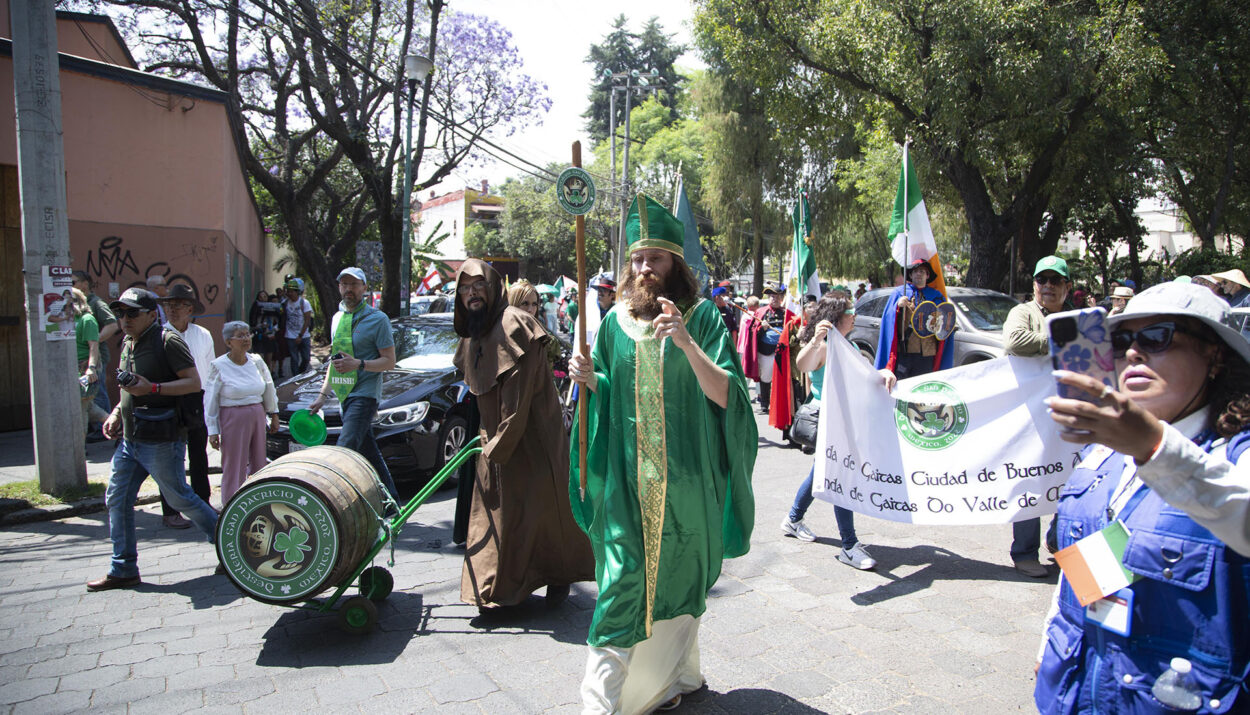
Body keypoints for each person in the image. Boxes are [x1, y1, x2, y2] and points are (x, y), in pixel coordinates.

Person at [569, 194, 757, 714]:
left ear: (675, 263)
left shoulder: (703, 318)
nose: (643, 268)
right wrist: (590, 380)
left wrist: (688, 345)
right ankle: (600, 705)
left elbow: (729, 397)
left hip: (687, 481)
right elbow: (605, 387)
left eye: (654, 258)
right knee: (621, 584)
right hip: (628, 484)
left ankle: (676, 677)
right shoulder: (612, 322)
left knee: (681, 578)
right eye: (636, 259)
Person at [1036, 281, 1250, 713]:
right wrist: (1048, 648)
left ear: (1215, 357)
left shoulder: (1235, 453)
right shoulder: (1101, 452)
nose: (1133, 352)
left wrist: (1154, 448)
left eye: (1158, 337)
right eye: (1120, 340)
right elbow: (1080, 571)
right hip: (1077, 692)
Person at [453, 260, 594, 613]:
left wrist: (498, 443)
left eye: (478, 285)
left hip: (531, 441)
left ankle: (548, 579)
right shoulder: (474, 331)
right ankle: (496, 591)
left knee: (538, 513)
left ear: (493, 287)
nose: (471, 292)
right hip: (496, 439)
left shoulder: (517, 325)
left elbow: (519, 398)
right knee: (501, 514)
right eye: (464, 286)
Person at [88, 288, 218, 591]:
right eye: (120, 313)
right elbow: (129, 383)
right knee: (117, 499)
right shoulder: (128, 342)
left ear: (150, 315)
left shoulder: (168, 341)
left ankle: (230, 544)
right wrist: (117, 413)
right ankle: (123, 568)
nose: (125, 319)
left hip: (162, 438)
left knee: (179, 498)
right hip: (130, 440)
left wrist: (154, 389)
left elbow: (193, 382)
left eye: (132, 313)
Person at [781, 293, 893, 569]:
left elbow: (867, 377)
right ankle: (849, 545)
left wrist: (885, 374)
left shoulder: (849, 345)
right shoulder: (824, 344)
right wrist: (816, 339)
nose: (855, 315)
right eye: (850, 311)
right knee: (840, 476)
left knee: (822, 472)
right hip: (826, 420)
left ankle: (793, 519)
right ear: (835, 316)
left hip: (844, 421)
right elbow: (802, 365)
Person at [1002, 255, 1071, 577]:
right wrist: (1064, 341)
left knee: (1069, 480)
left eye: (1055, 281)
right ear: (1034, 285)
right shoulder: (1024, 312)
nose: (1048, 287)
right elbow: (1015, 341)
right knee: (1031, 481)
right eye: (1042, 281)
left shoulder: (1075, 316)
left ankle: (1060, 544)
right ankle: (1025, 552)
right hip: (1030, 416)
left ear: (1067, 287)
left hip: (1068, 415)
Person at [308, 267, 398, 500]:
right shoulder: (338, 318)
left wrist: (359, 364)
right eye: (344, 284)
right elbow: (336, 361)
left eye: (354, 284)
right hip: (343, 396)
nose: (349, 289)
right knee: (370, 454)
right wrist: (322, 396)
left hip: (365, 395)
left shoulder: (378, 320)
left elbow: (389, 361)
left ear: (364, 289)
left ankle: (327, 500)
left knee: (345, 448)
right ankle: (392, 503)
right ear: (339, 287)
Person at [157, 285, 214, 526]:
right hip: (171, 399)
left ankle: (203, 502)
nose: (172, 310)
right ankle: (170, 510)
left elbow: (211, 371)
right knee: (171, 458)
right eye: (169, 305)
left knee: (199, 455)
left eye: (178, 305)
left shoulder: (202, 335)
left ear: (190, 309)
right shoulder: (159, 336)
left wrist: (212, 405)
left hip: (197, 400)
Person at [205, 321, 278, 508]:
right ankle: (231, 504)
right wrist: (212, 430)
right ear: (229, 342)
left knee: (259, 460)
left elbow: (268, 387)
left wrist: (273, 413)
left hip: (256, 413)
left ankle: (259, 501)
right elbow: (211, 399)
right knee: (234, 462)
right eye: (241, 336)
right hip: (233, 416)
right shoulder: (219, 365)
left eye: (248, 334)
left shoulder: (256, 361)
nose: (246, 339)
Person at [875, 259, 954, 380]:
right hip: (905, 353)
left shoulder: (937, 297)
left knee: (922, 391)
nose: (919, 274)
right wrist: (897, 307)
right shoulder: (900, 293)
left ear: (927, 275)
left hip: (927, 355)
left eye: (922, 271)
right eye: (915, 271)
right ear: (910, 275)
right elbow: (888, 319)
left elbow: (946, 321)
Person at [73, 271, 118, 441]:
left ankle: (102, 429)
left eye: (73, 281)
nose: (69, 284)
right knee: (88, 402)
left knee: (96, 395)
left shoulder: (95, 304)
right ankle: (109, 425)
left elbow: (112, 325)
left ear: (85, 283)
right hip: (85, 359)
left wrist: (92, 340)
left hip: (92, 359)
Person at [71, 288, 109, 436]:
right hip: (73, 367)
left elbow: (94, 346)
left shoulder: (87, 319)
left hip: (85, 366)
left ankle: (79, 448)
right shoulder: (70, 320)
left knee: (80, 407)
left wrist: (91, 368)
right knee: (88, 406)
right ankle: (119, 426)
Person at [506, 280, 563, 368]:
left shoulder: (544, 339)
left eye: (534, 304)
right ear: (513, 303)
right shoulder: (500, 335)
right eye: (525, 303)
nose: (530, 309)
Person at [754, 282, 790, 414]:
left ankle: (780, 404)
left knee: (781, 378)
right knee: (766, 377)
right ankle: (764, 404)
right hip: (766, 351)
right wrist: (761, 328)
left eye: (777, 296)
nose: (774, 299)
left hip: (782, 351)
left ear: (781, 298)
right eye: (772, 297)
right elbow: (753, 333)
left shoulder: (786, 313)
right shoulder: (761, 312)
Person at [281, 278, 313, 376]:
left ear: (297, 292)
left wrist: (300, 335)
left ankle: (301, 373)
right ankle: (296, 377)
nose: (289, 293)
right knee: (294, 358)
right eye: (288, 291)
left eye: (291, 291)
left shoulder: (304, 303)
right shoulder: (285, 303)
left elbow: (307, 320)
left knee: (306, 358)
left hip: (304, 335)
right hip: (290, 335)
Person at [248, 290, 282, 376]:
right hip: (259, 336)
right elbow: (252, 321)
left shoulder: (273, 309)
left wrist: (274, 332)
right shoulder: (256, 308)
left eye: (264, 296)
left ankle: (268, 376)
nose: (263, 298)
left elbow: (279, 322)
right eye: (260, 297)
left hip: (269, 336)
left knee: (268, 359)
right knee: (258, 358)